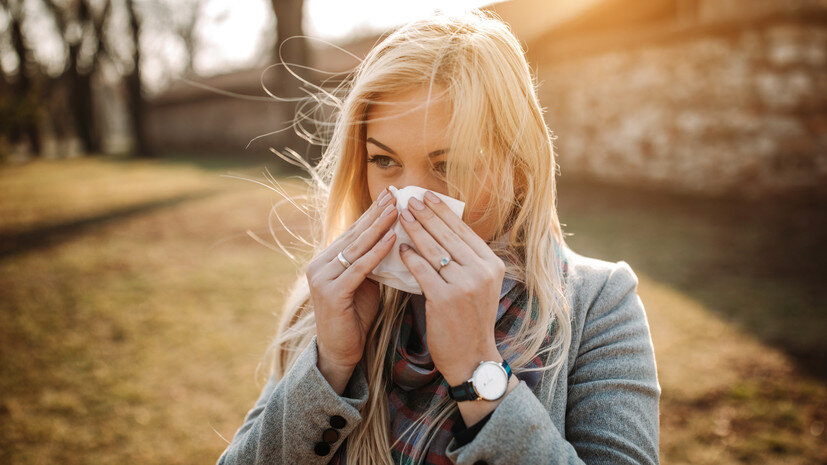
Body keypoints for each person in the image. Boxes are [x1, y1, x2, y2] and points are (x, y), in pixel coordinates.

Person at [216, 8, 660, 465]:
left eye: (449, 165)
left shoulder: (598, 304)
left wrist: (476, 371)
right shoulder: (329, 300)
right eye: (384, 162)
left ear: (519, 170)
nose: (411, 200)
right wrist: (330, 365)